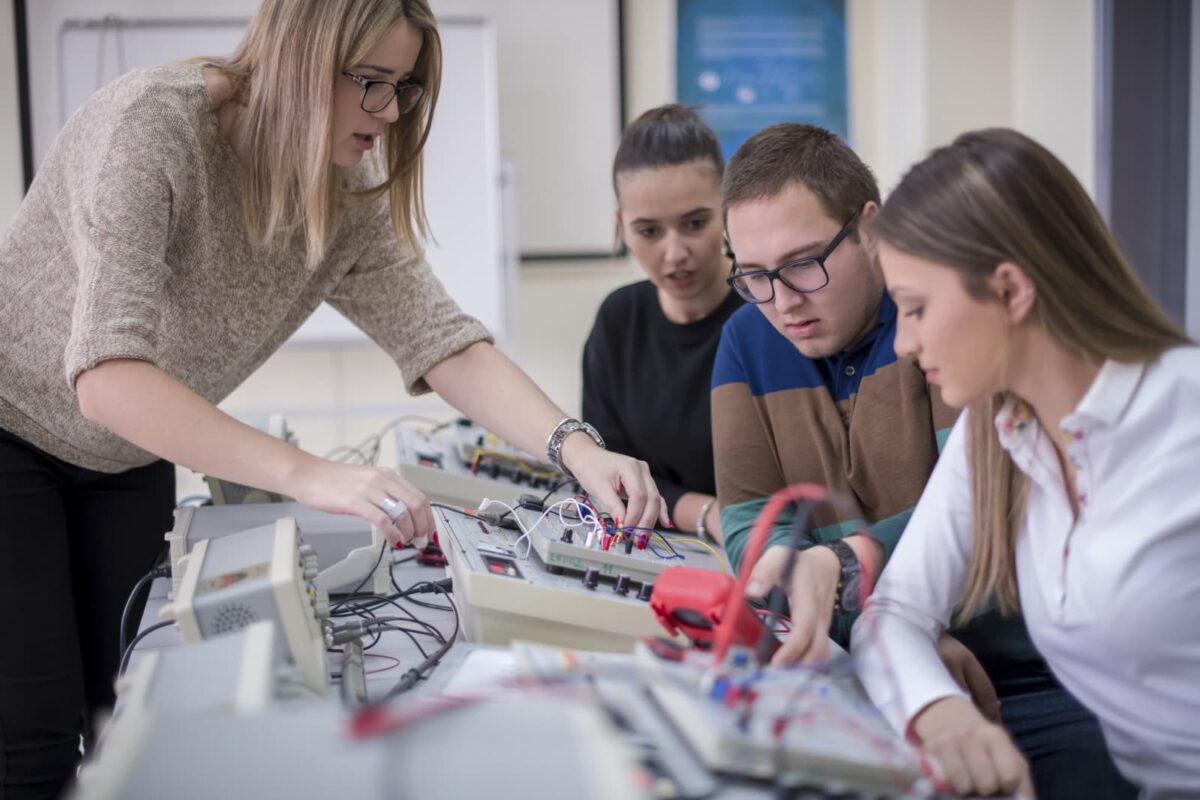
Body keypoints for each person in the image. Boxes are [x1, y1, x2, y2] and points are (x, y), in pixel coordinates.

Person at [0, 2, 665, 796]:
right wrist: (314, 476)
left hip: (131, 453)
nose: (386, 114)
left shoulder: (339, 194)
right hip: (13, 428)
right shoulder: (154, 129)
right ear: (299, 58)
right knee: (33, 744)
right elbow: (107, 377)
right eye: (370, 83)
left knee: (129, 717)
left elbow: (442, 340)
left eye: (403, 89)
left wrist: (577, 449)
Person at [713, 124, 1132, 799]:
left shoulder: (983, 370)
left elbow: (989, 540)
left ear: (1011, 290)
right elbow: (891, 572)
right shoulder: (993, 426)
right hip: (885, 662)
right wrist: (896, 647)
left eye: (802, 263)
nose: (782, 300)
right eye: (755, 278)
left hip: (1041, 682)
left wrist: (841, 568)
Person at [853, 127, 1199, 798]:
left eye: (916, 308)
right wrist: (938, 711)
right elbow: (892, 611)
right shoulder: (999, 430)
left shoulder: (1184, 416)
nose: (901, 342)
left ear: (1011, 290)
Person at [582, 105, 742, 542]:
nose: (674, 254)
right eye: (649, 231)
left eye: (694, 223)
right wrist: (709, 514)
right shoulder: (618, 321)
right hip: (658, 549)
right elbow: (608, 476)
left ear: (726, 207)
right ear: (622, 226)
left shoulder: (767, 313)